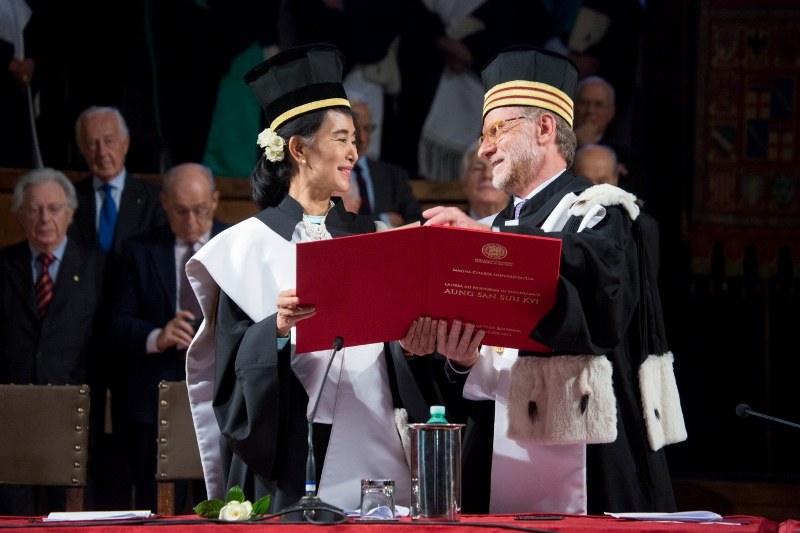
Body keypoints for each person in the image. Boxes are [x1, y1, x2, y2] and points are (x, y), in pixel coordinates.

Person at [423, 45, 686, 515]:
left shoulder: (601, 213)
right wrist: (461, 360)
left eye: (496, 130)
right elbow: (483, 368)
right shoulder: (489, 230)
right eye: (482, 135)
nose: (483, 149)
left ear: (544, 128)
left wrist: (495, 241)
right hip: (496, 450)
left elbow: (598, 312)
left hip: (586, 464)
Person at [184, 43, 445, 512]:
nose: (354, 152)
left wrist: (410, 346)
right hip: (292, 452)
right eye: (341, 138)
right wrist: (277, 329)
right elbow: (231, 376)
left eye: (355, 139)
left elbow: (401, 353)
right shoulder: (241, 249)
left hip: (380, 442)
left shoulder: (376, 237)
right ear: (299, 149)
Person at [110, 162, 227, 511]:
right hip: (157, 396)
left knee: (222, 507)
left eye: (200, 210)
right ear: (164, 203)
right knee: (157, 508)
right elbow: (117, 323)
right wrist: (157, 335)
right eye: (180, 211)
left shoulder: (234, 244)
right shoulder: (139, 250)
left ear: (215, 201)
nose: (191, 221)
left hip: (219, 393)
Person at [68, 104, 168, 510]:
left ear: (125, 144)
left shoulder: (154, 199)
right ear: (81, 149)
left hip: (137, 344)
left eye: (109, 141)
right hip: (84, 341)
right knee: (84, 442)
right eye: (91, 143)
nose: (101, 151)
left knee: (136, 444)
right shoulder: (70, 198)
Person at [0, 167, 103, 515]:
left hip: (72, 412)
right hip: (12, 413)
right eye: (34, 209)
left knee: (69, 514)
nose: (45, 218)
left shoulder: (96, 267)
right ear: (20, 214)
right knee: (12, 515)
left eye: (54, 208)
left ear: (70, 213)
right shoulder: (5, 265)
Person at [574, 143, 661, 274]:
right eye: (586, 181)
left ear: (616, 178)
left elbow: (647, 281)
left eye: (602, 181)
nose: (594, 189)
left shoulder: (642, 227)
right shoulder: (562, 219)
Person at [350, 98, 423, 226]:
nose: (362, 138)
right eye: (356, 129)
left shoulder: (395, 176)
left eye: (367, 129)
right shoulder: (330, 174)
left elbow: (416, 219)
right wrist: (382, 220)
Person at [459, 140, 509, 221]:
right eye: (478, 168)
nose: (487, 175)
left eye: (496, 167)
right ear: (464, 181)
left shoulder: (525, 226)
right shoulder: (450, 226)